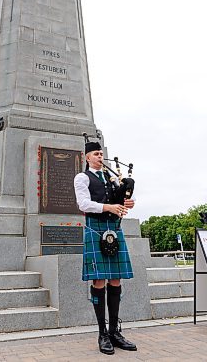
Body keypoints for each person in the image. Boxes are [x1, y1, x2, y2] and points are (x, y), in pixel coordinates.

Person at [74, 141, 137, 355]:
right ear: (87, 158)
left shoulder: (110, 178)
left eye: (102, 153)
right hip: (96, 228)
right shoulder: (82, 178)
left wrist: (127, 203)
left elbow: (119, 199)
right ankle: (102, 333)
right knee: (99, 280)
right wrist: (108, 207)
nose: (100, 156)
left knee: (116, 279)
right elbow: (83, 204)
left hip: (114, 228)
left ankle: (114, 332)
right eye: (96, 154)